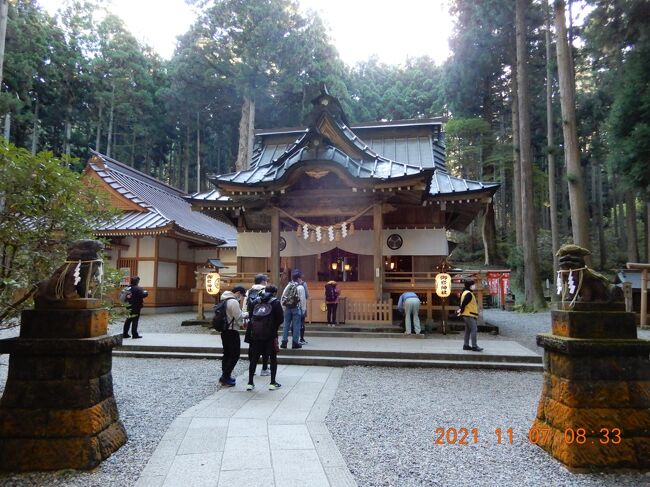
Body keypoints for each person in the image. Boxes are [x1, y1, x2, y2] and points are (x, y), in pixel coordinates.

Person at [246, 285, 283, 391]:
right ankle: (272, 382)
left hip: (256, 334)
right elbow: (280, 319)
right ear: (274, 293)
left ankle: (250, 382)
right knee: (273, 358)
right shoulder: (275, 302)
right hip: (270, 334)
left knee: (254, 358)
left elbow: (250, 315)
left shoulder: (255, 301)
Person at [218, 285, 247, 386]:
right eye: (241, 295)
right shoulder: (233, 301)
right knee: (235, 354)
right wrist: (245, 318)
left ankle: (225, 375)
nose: (241, 297)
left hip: (224, 330)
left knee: (226, 353)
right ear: (238, 293)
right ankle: (226, 376)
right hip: (232, 330)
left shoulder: (223, 299)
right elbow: (238, 318)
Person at [244, 274, 271, 376]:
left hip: (252, 321)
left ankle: (252, 368)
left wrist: (245, 320)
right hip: (264, 321)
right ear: (263, 281)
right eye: (266, 280)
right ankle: (264, 368)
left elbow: (245, 307)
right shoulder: (266, 291)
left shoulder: (249, 291)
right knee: (265, 345)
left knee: (252, 345)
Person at [280, 269, 306, 349]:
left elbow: (283, 297)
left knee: (286, 325)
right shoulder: (300, 287)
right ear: (298, 278)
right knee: (296, 325)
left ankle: (284, 342)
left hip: (287, 308)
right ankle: (295, 342)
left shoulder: (288, 285)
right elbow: (302, 300)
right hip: (296, 308)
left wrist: (283, 308)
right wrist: (303, 310)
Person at [457, 279, 483, 352]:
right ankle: (474, 346)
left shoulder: (465, 292)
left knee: (468, 330)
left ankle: (466, 345)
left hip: (467, 314)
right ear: (470, 286)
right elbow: (464, 303)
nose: (474, 286)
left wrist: (461, 311)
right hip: (470, 314)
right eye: (473, 285)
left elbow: (462, 303)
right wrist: (461, 310)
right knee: (474, 330)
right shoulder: (469, 294)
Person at [299, 279, 309, 344]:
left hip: (292, 307)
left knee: (294, 323)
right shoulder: (303, 284)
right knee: (302, 323)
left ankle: (294, 339)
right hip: (301, 306)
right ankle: (301, 338)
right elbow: (307, 295)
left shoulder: (290, 284)